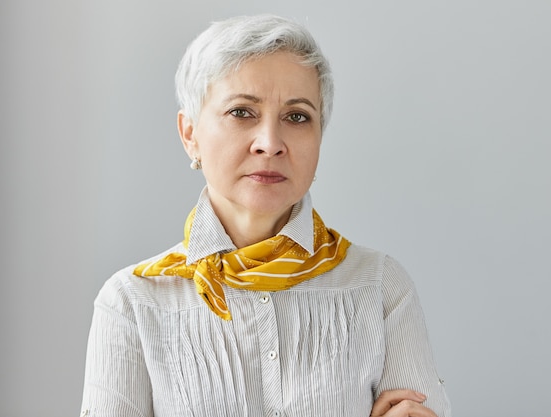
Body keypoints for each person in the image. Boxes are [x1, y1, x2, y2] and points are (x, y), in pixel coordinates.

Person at [80, 14, 451, 417]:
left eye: (297, 116)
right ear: (190, 135)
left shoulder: (381, 288)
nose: (270, 143)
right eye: (242, 112)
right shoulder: (132, 303)